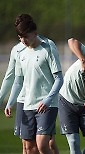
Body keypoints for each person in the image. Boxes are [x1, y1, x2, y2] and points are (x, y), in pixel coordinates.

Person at [4, 14, 63, 154]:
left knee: (42, 144)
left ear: (35, 33)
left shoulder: (48, 48)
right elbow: (18, 81)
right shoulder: (20, 53)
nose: (23, 40)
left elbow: (59, 78)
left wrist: (48, 100)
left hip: (47, 104)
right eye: (20, 37)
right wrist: (9, 102)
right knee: (30, 149)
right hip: (28, 104)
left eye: (26, 36)